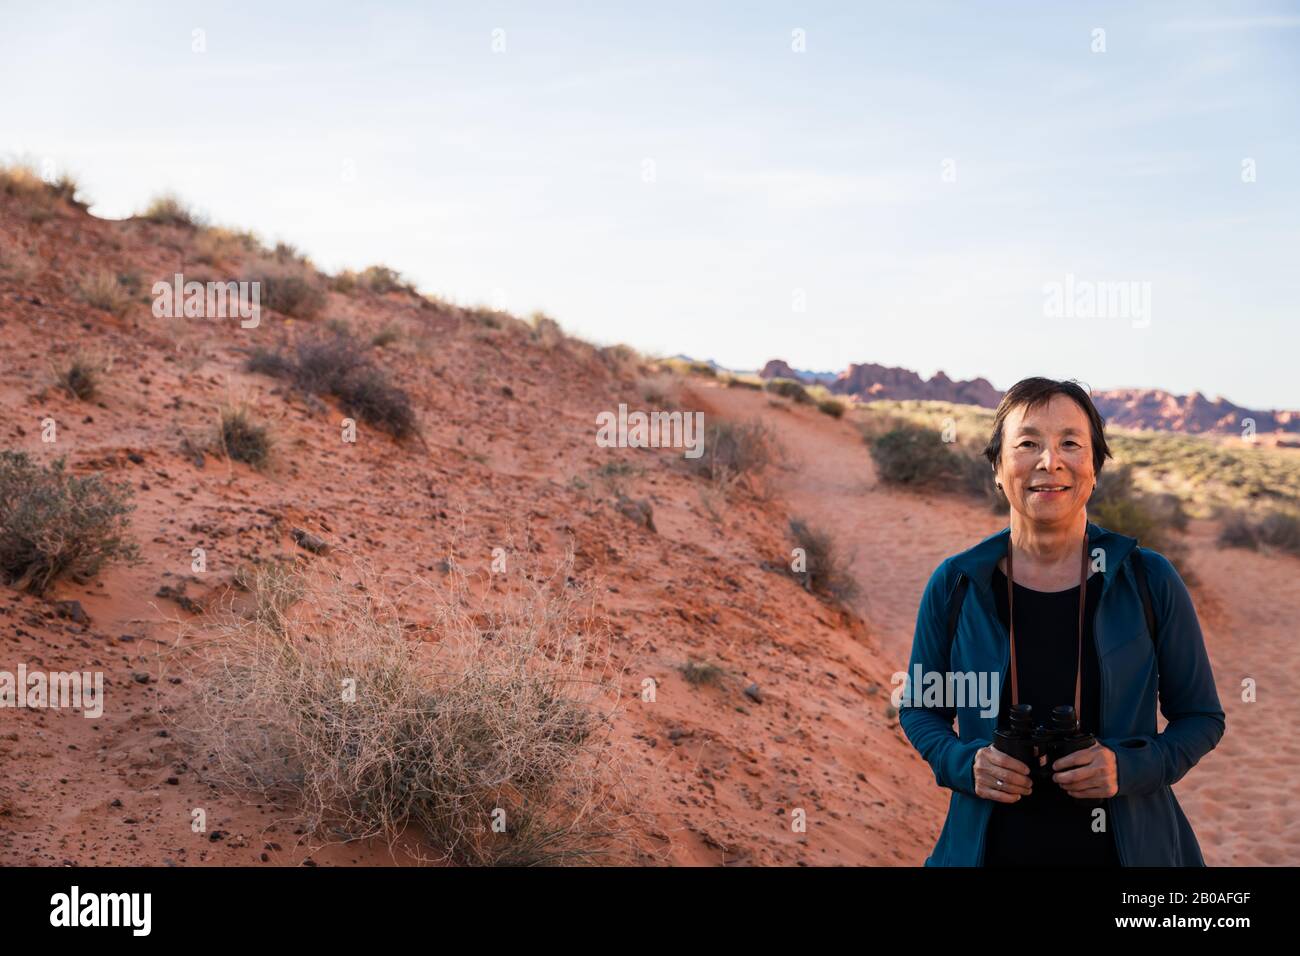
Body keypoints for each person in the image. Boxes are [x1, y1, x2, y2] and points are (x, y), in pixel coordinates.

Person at [898, 377, 1225, 865]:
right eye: (1027, 443)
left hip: (1129, 852)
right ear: (997, 466)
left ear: (1094, 467)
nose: (1049, 461)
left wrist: (1128, 766)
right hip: (988, 851)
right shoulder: (958, 583)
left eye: (1070, 443)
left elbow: (1200, 718)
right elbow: (921, 709)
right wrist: (967, 764)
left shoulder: (1147, 579)